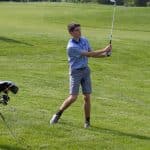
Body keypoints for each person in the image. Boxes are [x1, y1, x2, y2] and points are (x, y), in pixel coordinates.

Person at [50, 23, 112, 128]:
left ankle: (87, 122)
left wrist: (105, 55)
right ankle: (58, 114)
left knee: (87, 97)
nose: (79, 32)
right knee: (73, 97)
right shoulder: (71, 47)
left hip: (85, 71)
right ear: (71, 33)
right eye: (77, 30)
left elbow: (92, 53)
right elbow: (89, 54)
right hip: (76, 72)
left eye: (80, 30)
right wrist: (104, 49)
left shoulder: (84, 40)